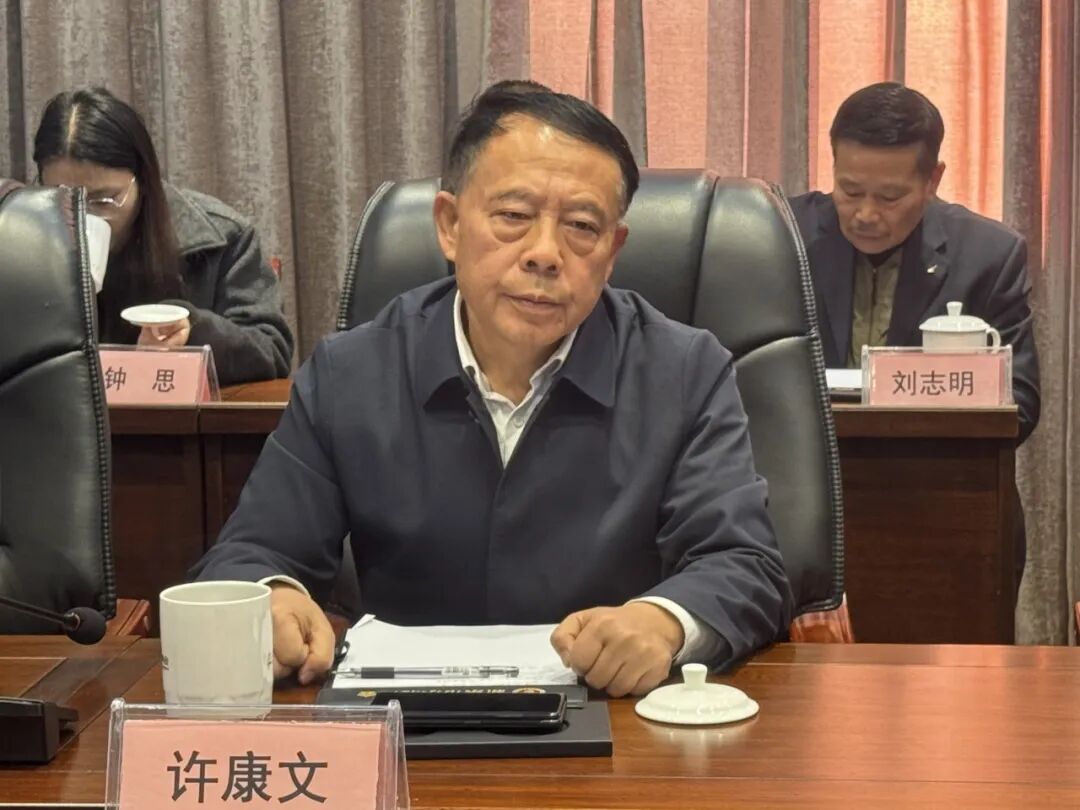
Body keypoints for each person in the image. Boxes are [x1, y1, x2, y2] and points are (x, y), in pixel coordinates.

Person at [191, 80, 793, 697]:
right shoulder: (352, 371)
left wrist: (662, 622)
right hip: (403, 722)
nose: (544, 254)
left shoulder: (683, 371)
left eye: (581, 226)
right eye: (513, 216)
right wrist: (272, 597)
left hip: (610, 715)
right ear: (450, 225)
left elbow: (743, 563)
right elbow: (252, 551)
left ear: (613, 251)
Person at [790, 82, 1039, 443]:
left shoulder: (989, 255)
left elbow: (1020, 404)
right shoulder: (782, 235)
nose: (865, 214)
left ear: (932, 180)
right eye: (850, 191)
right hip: (802, 460)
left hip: (936, 463)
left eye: (890, 197)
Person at [33, 87, 293, 386]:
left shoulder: (223, 236)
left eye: (103, 200)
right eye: (63, 199)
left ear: (143, 181)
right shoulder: (18, 237)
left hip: (181, 414)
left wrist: (193, 329)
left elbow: (272, 349)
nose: (83, 216)